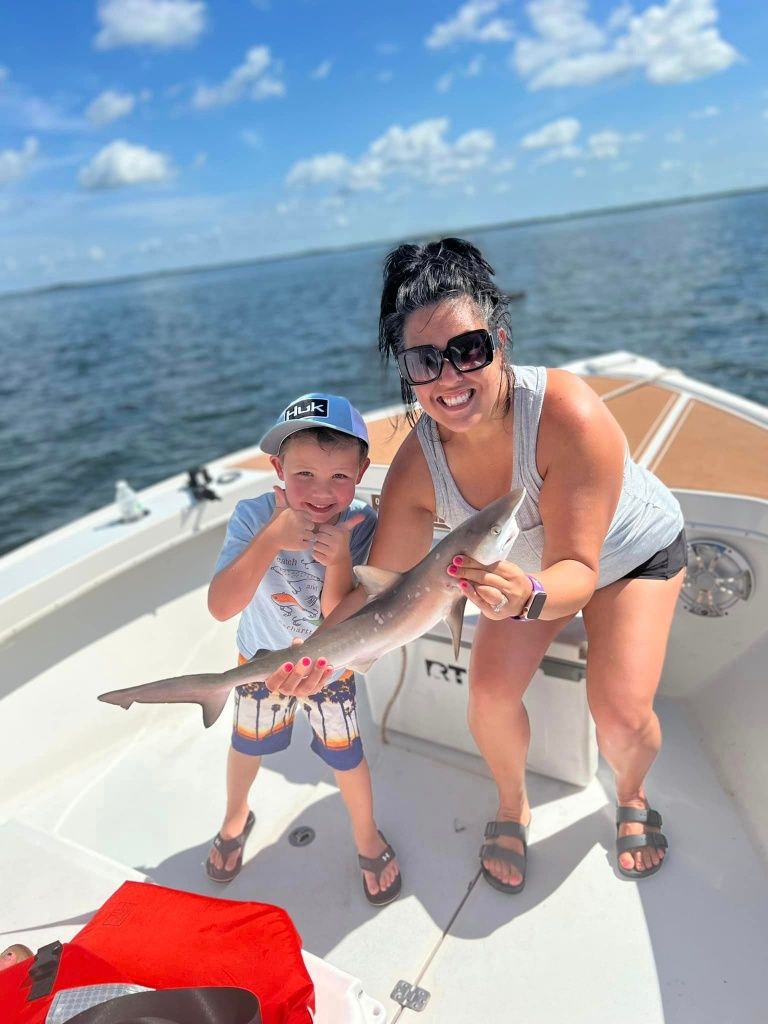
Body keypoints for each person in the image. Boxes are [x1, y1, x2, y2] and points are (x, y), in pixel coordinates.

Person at [272, 238, 685, 892]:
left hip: (627, 556)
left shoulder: (567, 416)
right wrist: (311, 657)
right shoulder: (416, 468)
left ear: (499, 339)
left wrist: (525, 596)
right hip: (515, 574)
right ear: (405, 372)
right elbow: (383, 599)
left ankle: (631, 796)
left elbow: (577, 567)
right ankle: (511, 803)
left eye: (467, 350)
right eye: (424, 361)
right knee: (487, 697)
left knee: (621, 718)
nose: (449, 379)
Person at [205, 393, 401, 906]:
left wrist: (338, 562)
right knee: (246, 746)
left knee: (347, 757)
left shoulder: (361, 526)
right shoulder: (254, 516)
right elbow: (222, 607)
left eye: (339, 476)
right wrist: (270, 539)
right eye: (304, 475)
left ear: (361, 472)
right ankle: (234, 816)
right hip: (260, 662)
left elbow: (342, 613)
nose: (321, 492)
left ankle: (366, 836)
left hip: (327, 669)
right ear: (277, 468)